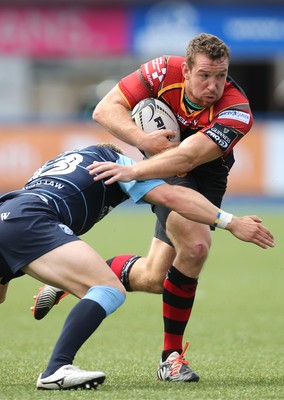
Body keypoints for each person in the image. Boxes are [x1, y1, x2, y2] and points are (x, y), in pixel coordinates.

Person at [0, 143, 274, 390]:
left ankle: (64, 282)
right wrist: (231, 222)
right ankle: (57, 369)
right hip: (32, 220)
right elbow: (174, 198)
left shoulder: (64, 160)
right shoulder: (116, 163)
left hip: (10, 211)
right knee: (108, 289)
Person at [89, 32, 260, 382]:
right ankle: (171, 359)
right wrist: (141, 141)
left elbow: (187, 157)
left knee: (154, 277)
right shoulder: (160, 72)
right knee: (197, 246)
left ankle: (84, 273)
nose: (213, 85)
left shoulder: (237, 110)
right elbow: (104, 109)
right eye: (204, 75)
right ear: (185, 72)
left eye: (221, 75)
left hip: (205, 170)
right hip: (162, 159)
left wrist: (135, 169)